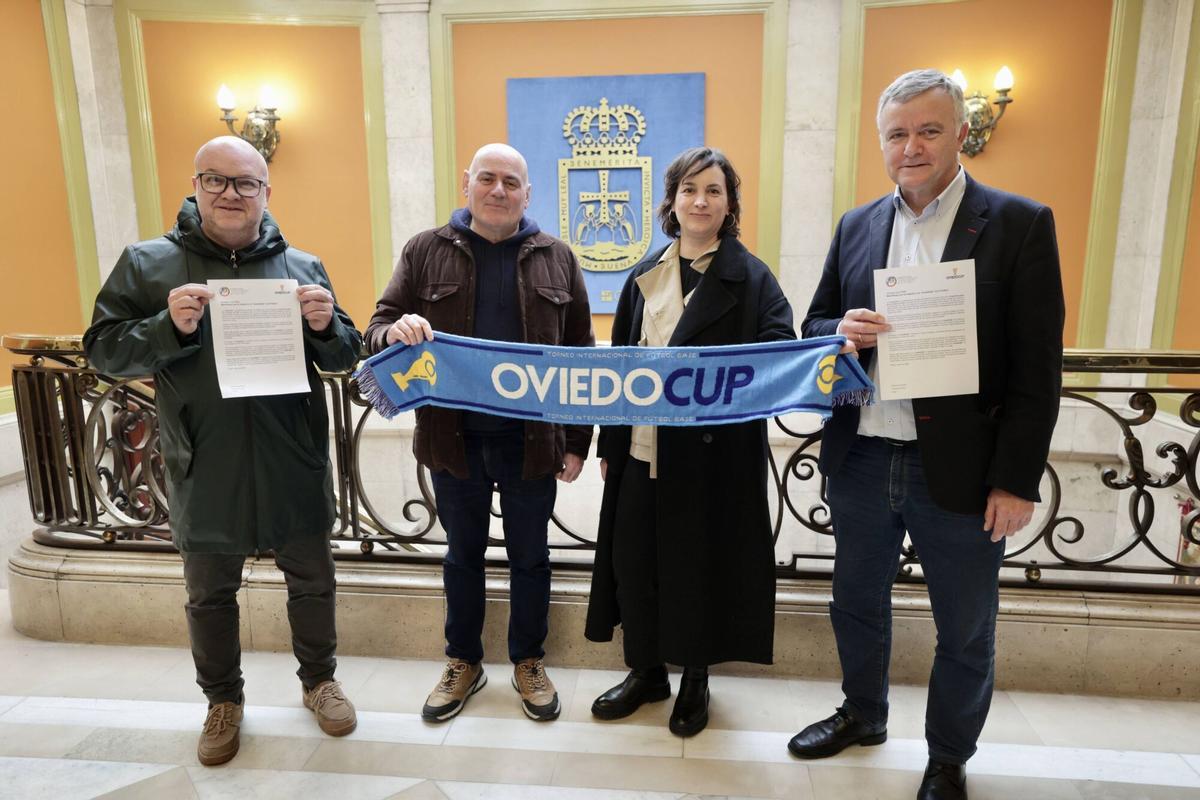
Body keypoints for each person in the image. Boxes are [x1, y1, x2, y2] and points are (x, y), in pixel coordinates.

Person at [792, 69, 1064, 800]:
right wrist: (837, 332)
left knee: (966, 628)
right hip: (862, 457)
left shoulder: (1018, 223)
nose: (910, 147)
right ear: (882, 141)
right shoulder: (856, 225)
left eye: (928, 130)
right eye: (897, 133)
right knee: (854, 603)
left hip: (964, 472)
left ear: (960, 133)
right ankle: (863, 714)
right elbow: (813, 325)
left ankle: (948, 756)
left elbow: (1039, 369)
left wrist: (1016, 479)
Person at [83, 136, 363, 766]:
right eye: (216, 180)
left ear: (267, 192)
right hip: (203, 460)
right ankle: (223, 700)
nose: (231, 194)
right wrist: (166, 326)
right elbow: (101, 349)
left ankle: (319, 681)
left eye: (245, 183)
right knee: (209, 593)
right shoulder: (149, 264)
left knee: (313, 581)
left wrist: (325, 327)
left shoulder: (301, 266)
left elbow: (345, 356)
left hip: (291, 457)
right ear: (196, 184)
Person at [364, 142, 594, 723]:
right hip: (452, 441)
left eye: (510, 182)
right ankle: (463, 662)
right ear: (467, 183)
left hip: (531, 443)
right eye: (487, 178)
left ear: (527, 193)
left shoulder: (558, 258)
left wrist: (576, 442)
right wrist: (397, 331)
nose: (498, 190)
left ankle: (528, 661)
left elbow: (581, 358)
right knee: (461, 557)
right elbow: (377, 326)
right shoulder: (424, 250)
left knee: (531, 559)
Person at [583, 147, 795, 737]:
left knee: (699, 567)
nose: (700, 201)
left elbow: (781, 350)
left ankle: (695, 679)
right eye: (689, 190)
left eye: (714, 191)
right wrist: (609, 446)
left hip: (712, 461)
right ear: (671, 201)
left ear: (730, 205)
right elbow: (621, 365)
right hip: (642, 450)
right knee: (637, 562)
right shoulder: (644, 272)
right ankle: (646, 672)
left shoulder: (753, 278)